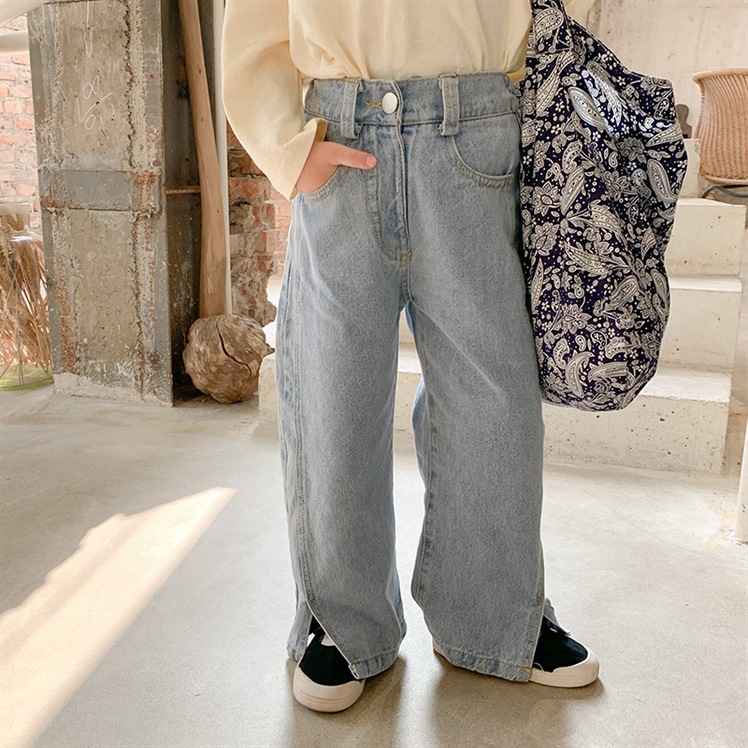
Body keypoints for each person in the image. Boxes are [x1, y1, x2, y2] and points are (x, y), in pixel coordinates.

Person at [222, 0, 600, 713]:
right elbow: (254, 22)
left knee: (495, 403)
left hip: (480, 129)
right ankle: (341, 622)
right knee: (335, 396)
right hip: (341, 134)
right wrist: (287, 147)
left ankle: (496, 617)